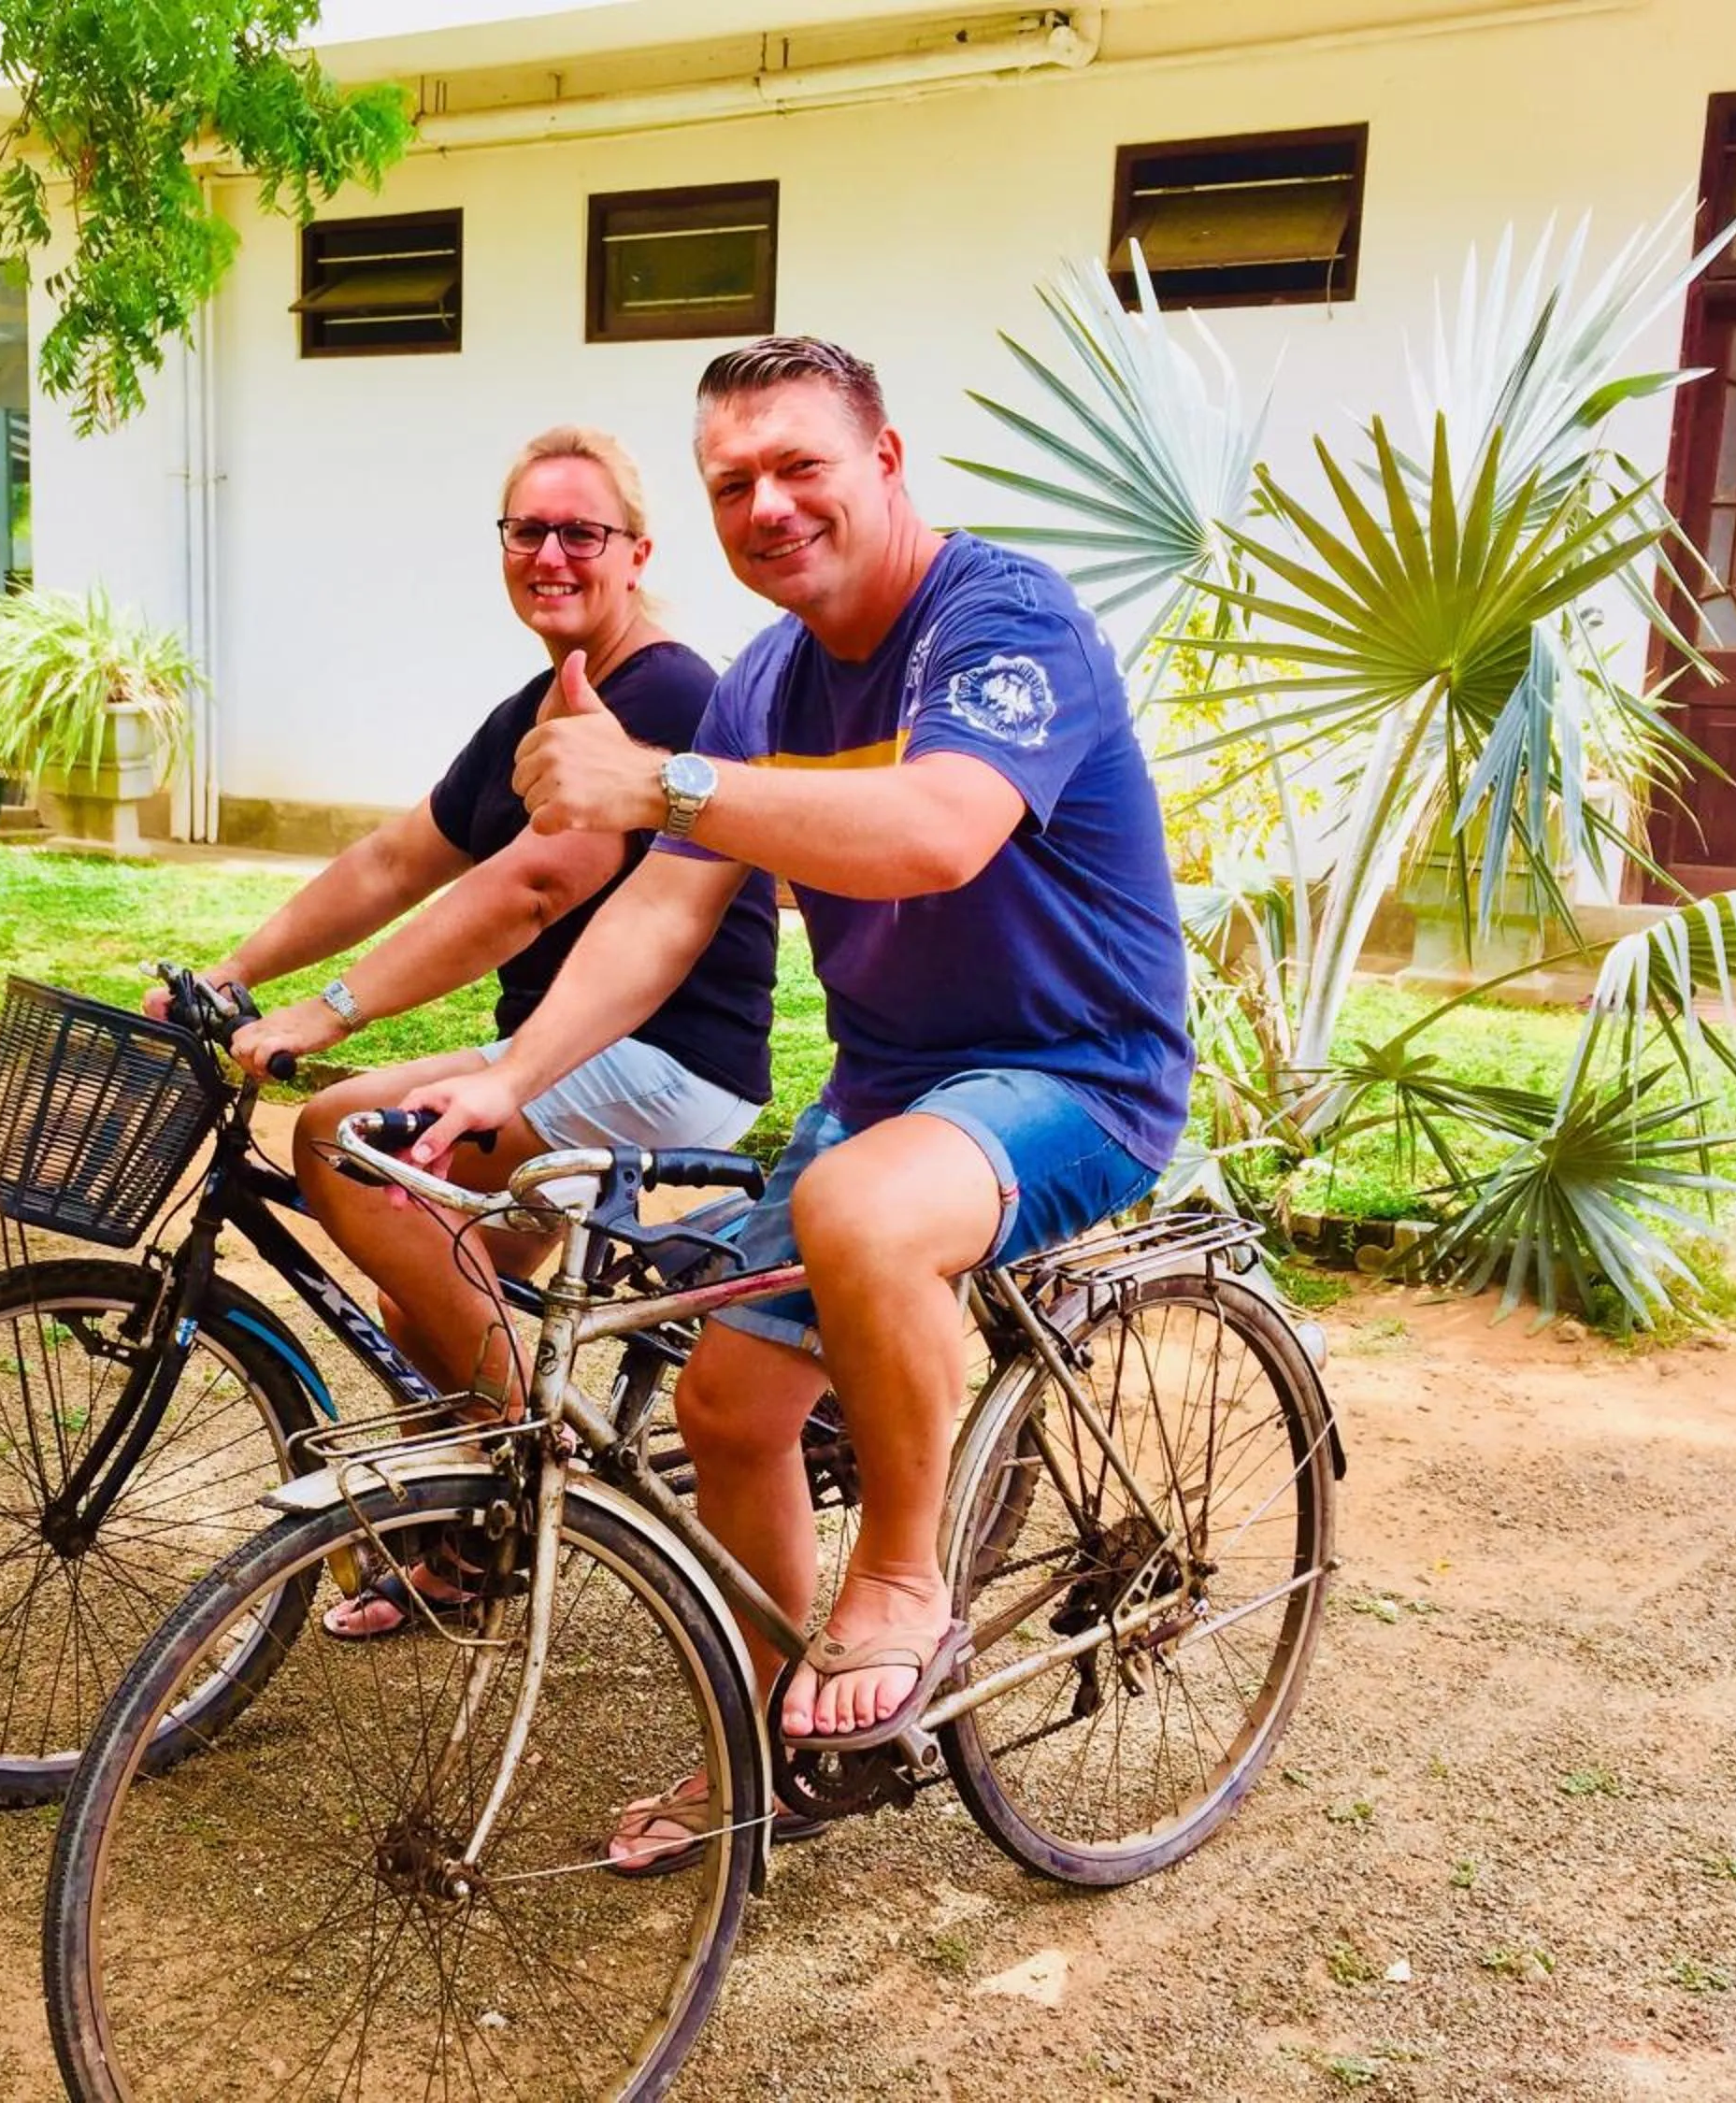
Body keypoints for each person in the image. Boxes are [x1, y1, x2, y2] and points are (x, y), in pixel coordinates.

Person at [402, 338, 1193, 1864]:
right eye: (732, 484)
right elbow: (658, 918)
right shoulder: (767, 677)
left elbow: (939, 828)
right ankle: (768, 1742)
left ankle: (903, 1577)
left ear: (885, 463)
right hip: (896, 1081)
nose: (767, 504)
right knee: (724, 1404)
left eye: (799, 466)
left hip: (1081, 1068)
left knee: (857, 1209)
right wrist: (510, 1073)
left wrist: (661, 784)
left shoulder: (1001, 615)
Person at [158, 425, 782, 1638]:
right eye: (527, 531)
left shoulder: (659, 693)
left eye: (579, 532)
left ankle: (542, 1475)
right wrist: (235, 971)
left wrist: (328, 1013)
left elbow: (529, 888)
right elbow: (401, 858)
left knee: (343, 1137)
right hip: (576, 1055)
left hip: (667, 1062)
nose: (549, 553)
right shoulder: (530, 710)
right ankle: (470, 1547)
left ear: (636, 550)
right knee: (429, 1284)